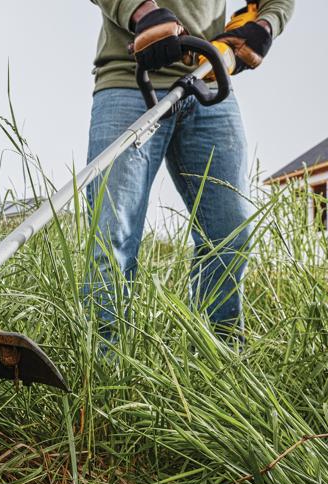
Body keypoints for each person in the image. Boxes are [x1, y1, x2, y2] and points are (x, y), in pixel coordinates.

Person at [86, 0, 294, 338]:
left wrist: (265, 25)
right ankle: (103, 368)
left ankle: (219, 362)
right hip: (128, 79)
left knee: (230, 233)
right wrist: (143, 12)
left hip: (207, 82)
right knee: (113, 232)